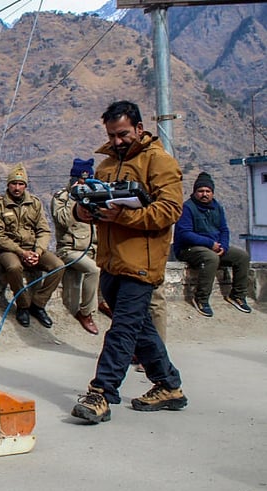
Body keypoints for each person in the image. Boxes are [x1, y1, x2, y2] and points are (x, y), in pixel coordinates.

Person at [71, 100, 187, 424]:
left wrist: (125, 216)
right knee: (139, 329)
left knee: (123, 329)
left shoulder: (159, 162)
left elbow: (169, 211)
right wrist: (83, 211)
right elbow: (96, 204)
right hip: (110, 262)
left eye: (123, 134)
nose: (118, 141)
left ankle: (101, 393)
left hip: (141, 264)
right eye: (112, 135)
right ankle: (168, 385)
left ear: (138, 128)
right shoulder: (106, 164)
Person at [0, 164, 64, 328]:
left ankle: (38, 304)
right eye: (13, 184)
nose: (17, 188)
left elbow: (44, 230)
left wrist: (37, 252)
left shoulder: (34, 204)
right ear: (8, 185)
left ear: (25, 186)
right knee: (14, 267)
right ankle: (23, 305)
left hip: (33, 247)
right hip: (9, 250)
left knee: (58, 266)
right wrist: (21, 252)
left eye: (20, 184)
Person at [173, 171, 251, 316]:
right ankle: (201, 298)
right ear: (195, 192)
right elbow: (185, 234)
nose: (204, 194)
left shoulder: (217, 207)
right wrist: (210, 244)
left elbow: (224, 229)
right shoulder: (187, 208)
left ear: (212, 193)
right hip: (189, 249)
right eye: (200, 191)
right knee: (211, 258)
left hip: (214, 247)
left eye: (208, 191)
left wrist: (223, 246)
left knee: (242, 256)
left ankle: (238, 295)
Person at [51, 158, 100, 335]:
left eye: (87, 180)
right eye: (81, 180)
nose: (84, 184)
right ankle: (86, 313)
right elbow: (63, 220)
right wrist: (76, 199)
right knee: (93, 270)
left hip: (93, 247)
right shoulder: (62, 198)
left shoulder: (95, 196)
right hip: (69, 249)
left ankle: (104, 303)